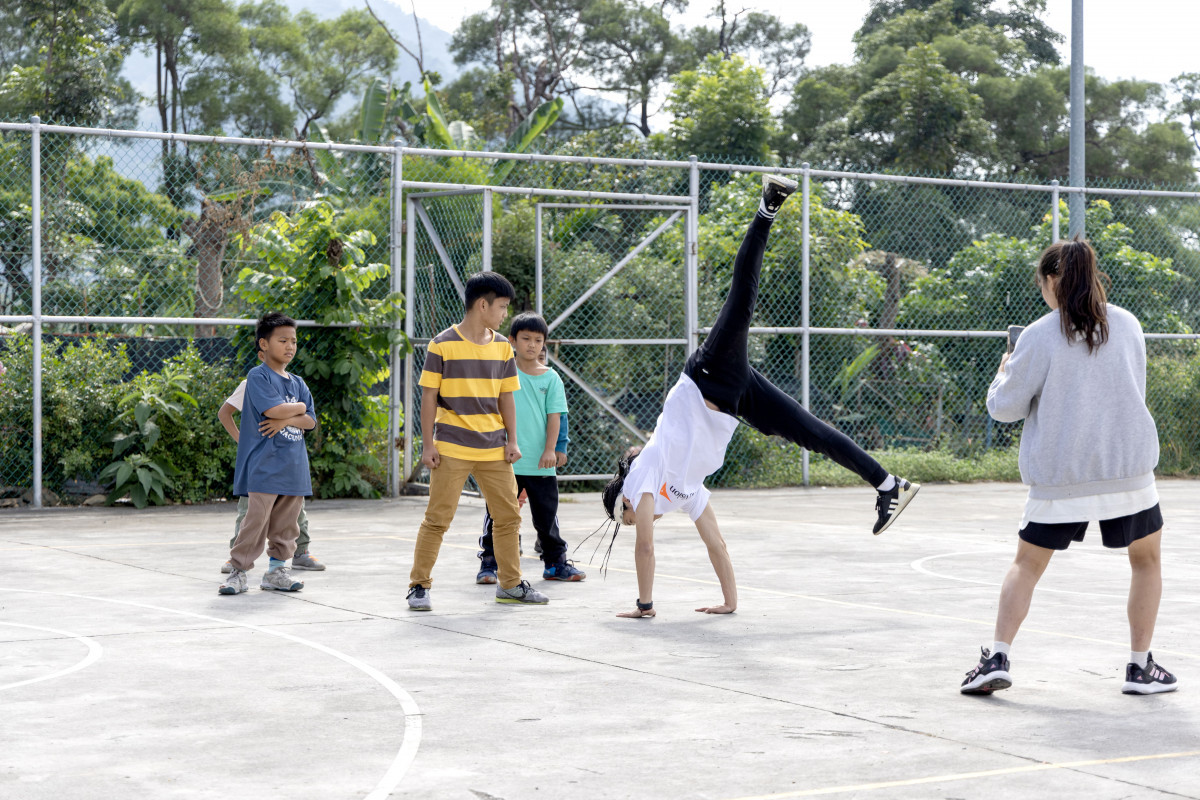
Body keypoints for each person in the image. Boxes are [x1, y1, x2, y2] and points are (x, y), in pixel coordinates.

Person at [601, 175, 920, 619]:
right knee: (814, 434)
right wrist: (730, 604)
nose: (643, 524)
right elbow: (717, 543)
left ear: (626, 503)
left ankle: (767, 207)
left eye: (632, 519)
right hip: (734, 400)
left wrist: (645, 606)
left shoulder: (642, 477)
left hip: (707, 380)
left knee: (741, 297)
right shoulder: (684, 491)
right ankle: (889, 485)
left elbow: (646, 550)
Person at [961, 238, 1177, 696]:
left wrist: (1004, 370)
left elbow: (1005, 408)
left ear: (1052, 280)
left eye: (1042, 280)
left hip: (1061, 477)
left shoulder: (1038, 334)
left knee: (1027, 564)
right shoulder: (1128, 323)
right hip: (1128, 468)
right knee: (1146, 561)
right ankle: (1140, 668)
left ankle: (996, 657)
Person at [407, 272, 550, 610]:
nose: (504, 314)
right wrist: (428, 445)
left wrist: (512, 439)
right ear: (482, 305)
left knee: (509, 517)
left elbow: (506, 398)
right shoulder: (441, 343)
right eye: (501, 307)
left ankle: (511, 585)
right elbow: (429, 397)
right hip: (452, 447)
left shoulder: (502, 346)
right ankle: (418, 586)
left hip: (493, 448)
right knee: (438, 518)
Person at [477, 312, 583, 584]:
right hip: (504, 461)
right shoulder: (501, 372)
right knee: (498, 516)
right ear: (512, 340)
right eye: (525, 339)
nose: (532, 345)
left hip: (540, 462)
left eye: (538, 340)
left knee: (546, 518)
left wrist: (553, 449)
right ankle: (490, 563)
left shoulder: (551, 378)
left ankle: (554, 564)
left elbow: (555, 416)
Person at [219, 312, 317, 595]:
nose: (290, 346)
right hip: (264, 465)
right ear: (263, 344)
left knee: (288, 524)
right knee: (255, 520)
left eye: (294, 341)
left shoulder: (297, 382)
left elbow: (310, 421)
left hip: (293, 465)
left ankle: (276, 571)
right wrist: (297, 409)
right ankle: (238, 572)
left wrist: (290, 416)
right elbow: (273, 411)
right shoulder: (258, 376)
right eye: (282, 340)